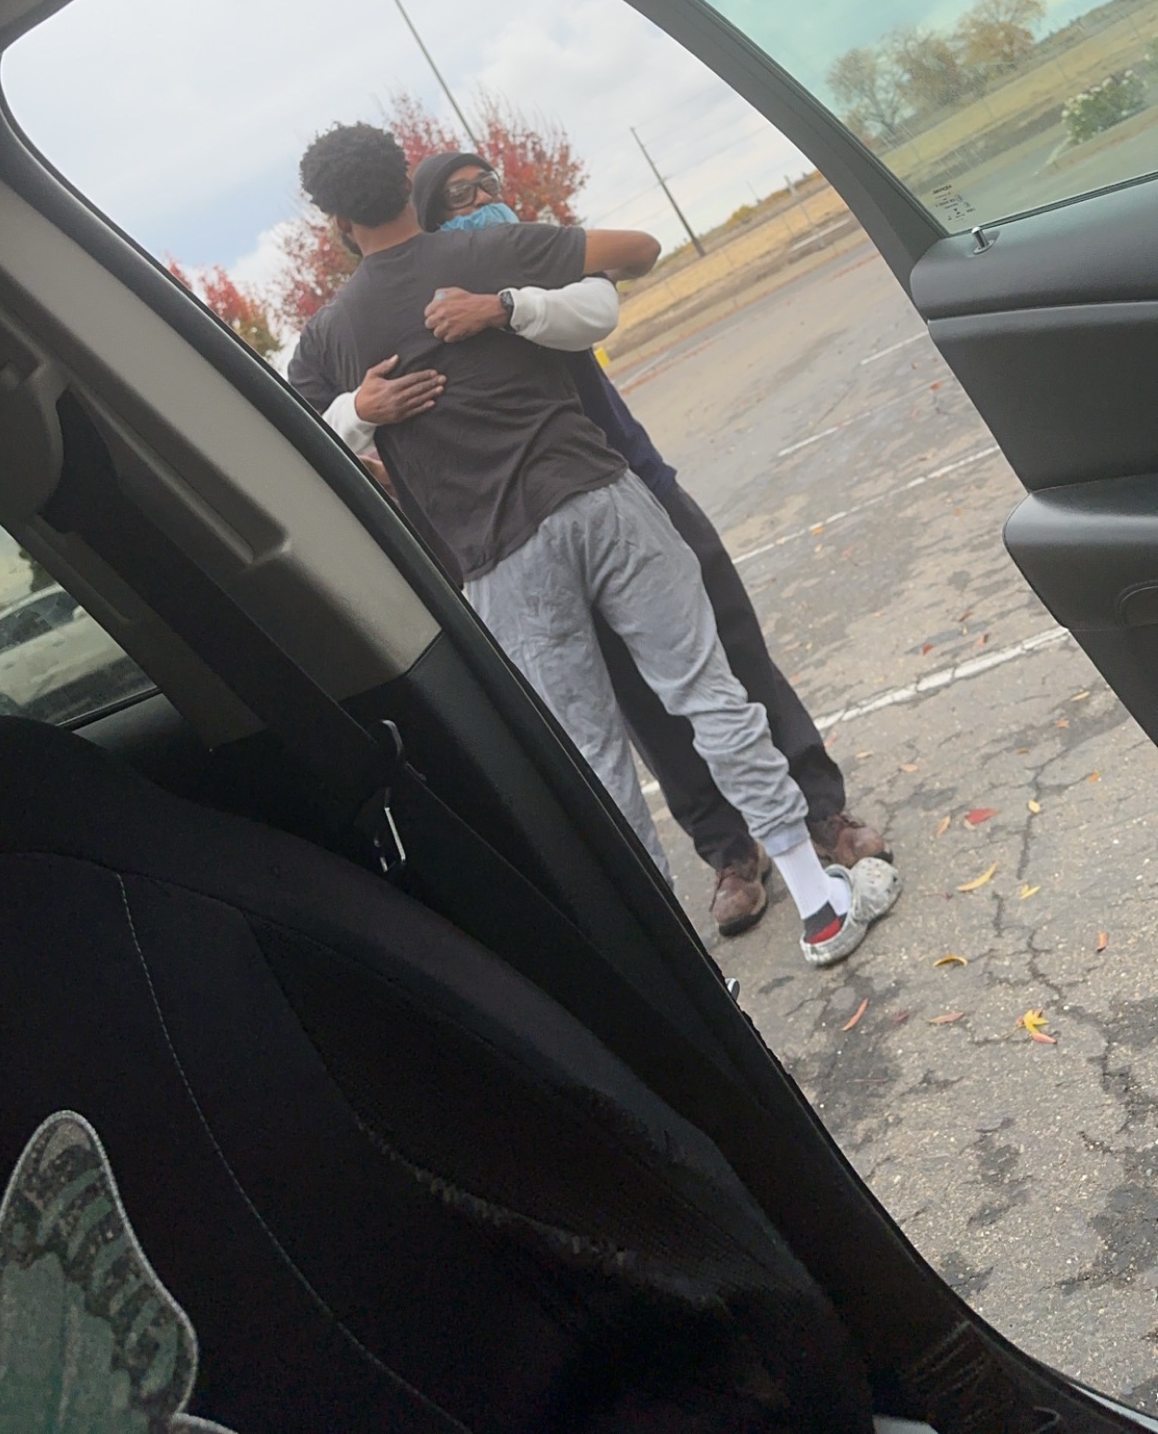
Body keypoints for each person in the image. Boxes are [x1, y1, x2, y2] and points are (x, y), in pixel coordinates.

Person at [289, 122, 900, 969]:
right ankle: (818, 903)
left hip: (499, 561)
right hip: (602, 501)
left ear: (333, 221)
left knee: (596, 761)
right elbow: (638, 248)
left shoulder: (329, 337)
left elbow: (293, 438)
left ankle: (680, 969)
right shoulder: (493, 249)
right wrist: (501, 297)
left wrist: (360, 411)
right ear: (406, 184)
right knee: (709, 692)